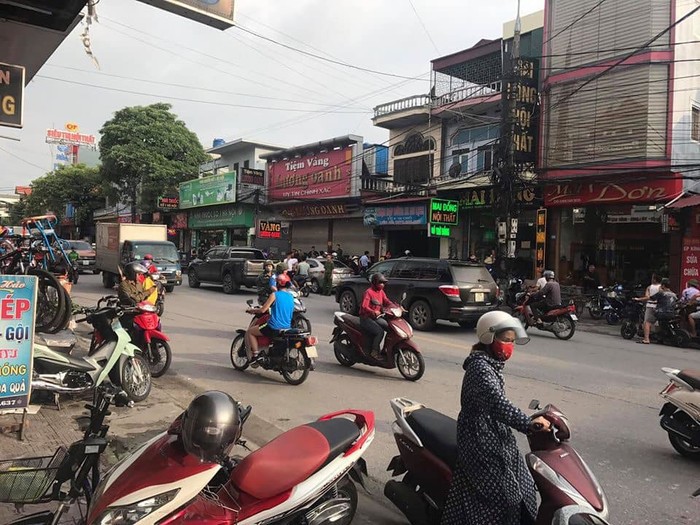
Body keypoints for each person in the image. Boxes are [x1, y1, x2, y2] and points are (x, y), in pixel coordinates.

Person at [441, 311, 550, 525]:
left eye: (512, 341)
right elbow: (497, 403)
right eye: (506, 340)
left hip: (494, 433)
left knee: (524, 485)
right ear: (489, 337)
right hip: (479, 439)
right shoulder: (480, 368)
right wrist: (527, 423)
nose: (510, 346)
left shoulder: (490, 363)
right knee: (502, 497)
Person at [245, 273, 294, 366]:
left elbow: (262, 310)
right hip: (287, 327)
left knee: (250, 332)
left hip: (274, 326)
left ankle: (255, 356)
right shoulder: (291, 297)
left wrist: (252, 310)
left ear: (278, 284)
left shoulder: (274, 295)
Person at [359, 273, 397, 359]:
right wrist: (373, 311)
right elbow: (364, 306)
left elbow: (386, 301)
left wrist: (395, 307)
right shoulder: (368, 292)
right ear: (374, 283)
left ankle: (385, 349)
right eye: (380, 282)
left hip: (376, 317)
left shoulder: (381, 292)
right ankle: (374, 352)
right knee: (380, 332)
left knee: (390, 328)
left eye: (383, 283)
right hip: (366, 318)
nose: (382, 285)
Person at [633, 274, 662, 344]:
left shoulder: (649, 287)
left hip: (650, 306)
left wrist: (638, 299)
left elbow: (647, 297)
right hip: (659, 307)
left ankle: (646, 339)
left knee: (647, 322)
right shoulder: (661, 287)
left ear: (654, 279)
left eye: (652, 278)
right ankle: (660, 337)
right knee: (659, 322)